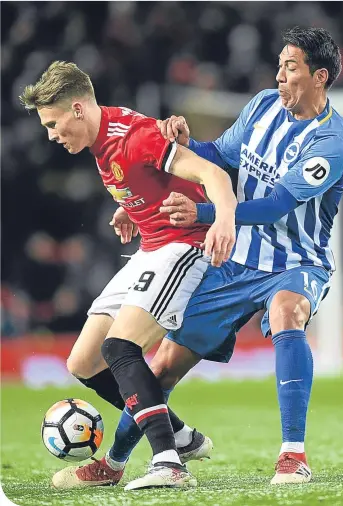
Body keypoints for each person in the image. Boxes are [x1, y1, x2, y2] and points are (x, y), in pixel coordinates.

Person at [84, 26, 343, 486]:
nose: (280, 76)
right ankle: (114, 462)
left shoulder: (334, 140)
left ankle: (293, 455)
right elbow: (221, 156)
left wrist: (206, 211)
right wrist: (186, 143)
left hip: (296, 260)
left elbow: (277, 206)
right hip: (233, 257)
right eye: (280, 66)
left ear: (319, 77)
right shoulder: (262, 106)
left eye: (291, 68)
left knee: (288, 313)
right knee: (165, 361)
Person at [20, 61, 237, 491]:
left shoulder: (136, 139)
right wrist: (134, 206)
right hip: (150, 246)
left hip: (183, 244)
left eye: (54, 123)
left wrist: (225, 220)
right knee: (83, 361)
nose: (51, 134)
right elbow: (145, 179)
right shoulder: (104, 137)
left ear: (78, 109)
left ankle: (169, 463)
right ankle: (178, 434)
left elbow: (213, 175)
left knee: (121, 347)